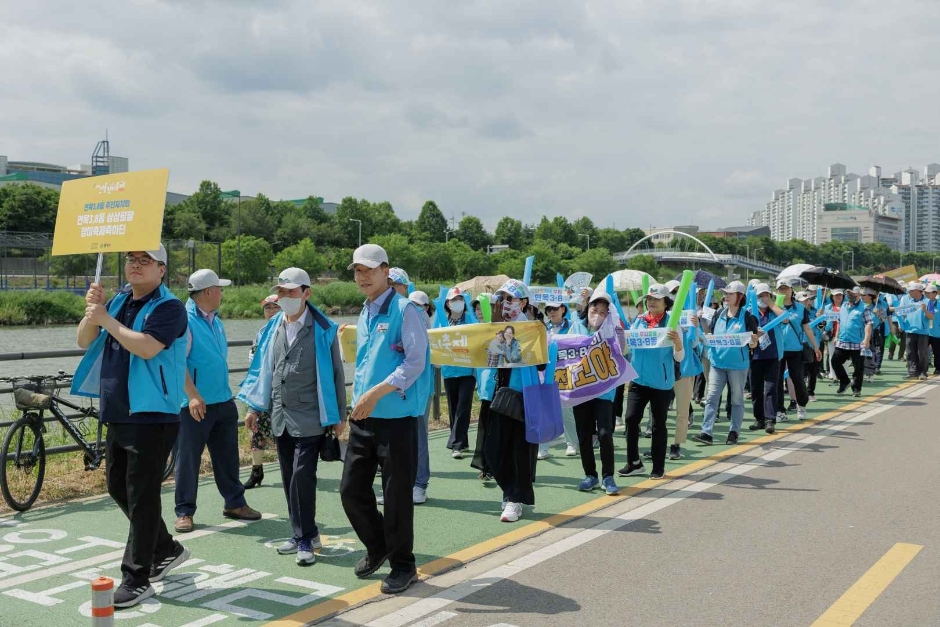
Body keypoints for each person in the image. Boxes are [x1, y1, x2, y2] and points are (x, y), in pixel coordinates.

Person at [73, 244, 190, 608]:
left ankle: (137, 577)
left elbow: (147, 348)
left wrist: (107, 319)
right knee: (117, 487)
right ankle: (166, 547)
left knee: (142, 495)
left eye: (146, 261)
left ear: (162, 270)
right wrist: (93, 312)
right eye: (131, 259)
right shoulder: (121, 299)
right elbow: (83, 340)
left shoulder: (169, 307)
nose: (136, 265)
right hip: (119, 410)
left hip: (153, 414)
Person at [239, 267, 346, 567]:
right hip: (279, 414)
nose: (285, 297)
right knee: (288, 477)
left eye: (291, 291)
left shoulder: (323, 328)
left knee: (301, 476)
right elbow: (263, 371)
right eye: (282, 291)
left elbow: (337, 374)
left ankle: (306, 537)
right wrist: (254, 408)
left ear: (306, 294)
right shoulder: (272, 327)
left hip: (312, 414)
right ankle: (303, 534)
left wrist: (339, 415)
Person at [341, 244, 428, 595]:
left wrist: (375, 393)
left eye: (369, 270)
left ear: (386, 271)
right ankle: (378, 546)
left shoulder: (406, 311)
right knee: (350, 490)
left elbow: (415, 362)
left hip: (396, 418)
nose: (362, 277)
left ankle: (403, 565)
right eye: (357, 271)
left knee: (396, 497)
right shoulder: (364, 311)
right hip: (364, 418)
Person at [174, 269, 261, 535]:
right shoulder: (184, 321)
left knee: (227, 457)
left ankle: (234, 503)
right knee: (187, 459)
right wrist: (192, 395)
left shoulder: (215, 320)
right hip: (195, 404)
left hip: (222, 400)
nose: (222, 293)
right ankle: (184, 512)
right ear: (209, 292)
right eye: (220, 289)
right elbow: (176, 363)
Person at [485, 278, 539, 522]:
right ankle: (509, 491)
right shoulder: (496, 327)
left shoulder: (533, 328)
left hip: (524, 395)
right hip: (500, 393)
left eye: (510, 299)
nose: (505, 304)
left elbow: (538, 361)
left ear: (523, 302)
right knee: (494, 448)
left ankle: (513, 499)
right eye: (501, 299)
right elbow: (489, 360)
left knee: (518, 450)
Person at [620, 284, 684, 480]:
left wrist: (678, 343)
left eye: (657, 299)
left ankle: (658, 466)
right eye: (649, 298)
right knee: (630, 419)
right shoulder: (638, 321)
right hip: (639, 380)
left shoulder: (673, 323)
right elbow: (628, 348)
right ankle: (634, 463)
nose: (652, 302)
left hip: (661, 383)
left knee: (658, 424)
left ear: (666, 303)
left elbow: (680, 358)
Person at [692, 281, 759, 445]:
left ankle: (734, 432)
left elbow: (753, 343)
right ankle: (706, 432)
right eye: (725, 293)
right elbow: (711, 335)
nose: (726, 296)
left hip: (738, 366)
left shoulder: (748, 317)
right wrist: (699, 325)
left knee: (736, 399)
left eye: (730, 293)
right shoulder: (718, 314)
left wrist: (753, 341)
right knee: (711, 398)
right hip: (717, 364)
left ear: (740, 296)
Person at [569, 291, 620, 495]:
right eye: (594, 309)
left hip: (604, 390)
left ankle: (608, 476)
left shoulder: (613, 331)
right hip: (580, 390)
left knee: (605, 433)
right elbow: (563, 352)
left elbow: (622, 350)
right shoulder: (576, 328)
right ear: (587, 309)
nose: (597, 314)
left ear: (609, 314)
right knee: (584, 435)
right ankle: (590, 475)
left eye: (602, 311)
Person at [243, 294, 280, 489]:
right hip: (262, 389)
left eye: (276, 307)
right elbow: (253, 362)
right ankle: (256, 471)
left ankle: (292, 469)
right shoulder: (261, 333)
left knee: (283, 434)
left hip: (282, 390)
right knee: (256, 429)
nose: (272, 311)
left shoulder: (288, 329)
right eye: (268, 308)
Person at [774, 278, 821, 422]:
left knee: (798, 379)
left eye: (786, 288)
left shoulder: (800, 308)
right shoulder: (773, 308)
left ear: (791, 290)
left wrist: (815, 346)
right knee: (776, 381)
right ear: (776, 291)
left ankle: (801, 405)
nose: (783, 291)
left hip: (795, 350)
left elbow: (807, 328)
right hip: (777, 350)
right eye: (780, 289)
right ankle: (780, 410)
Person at [440, 287, 476, 458]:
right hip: (448, 371)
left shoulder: (471, 320)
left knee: (463, 406)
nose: (457, 302)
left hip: (467, 371)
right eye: (454, 300)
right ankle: (463, 441)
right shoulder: (442, 321)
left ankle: (456, 445)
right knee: (454, 408)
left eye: (460, 299)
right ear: (447, 303)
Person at [540, 301, 578, 458]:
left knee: (566, 411)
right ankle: (543, 447)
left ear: (563, 309)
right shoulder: (542, 327)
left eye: (555, 308)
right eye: (548, 309)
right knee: (543, 410)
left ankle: (572, 443)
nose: (552, 312)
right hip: (546, 373)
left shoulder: (573, 326)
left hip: (566, 373)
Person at [408, 290, 434, 504]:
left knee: (419, 436)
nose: (416, 308)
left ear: (427, 307)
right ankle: (402, 484)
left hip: (421, 389)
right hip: (400, 389)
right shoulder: (402, 319)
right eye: (412, 304)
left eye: (420, 305)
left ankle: (420, 484)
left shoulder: (426, 324)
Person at [748, 283, 785, 434]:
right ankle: (759, 419)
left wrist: (770, 303)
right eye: (759, 296)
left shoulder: (775, 311)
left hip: (772, 355)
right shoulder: (750, 312)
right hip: (754, 356)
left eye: (765, 295)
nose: (762, 298)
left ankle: (770, 419)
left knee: (770, 388)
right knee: (755, 389)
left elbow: (785, 319)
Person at [831, 286, 873, 397]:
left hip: (857, 342)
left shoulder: (864, 308)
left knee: (858, 367)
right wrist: (836, 336)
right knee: (834, 361)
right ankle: (844, 381)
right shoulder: (843, 306)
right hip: (843, 340)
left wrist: (866, 339)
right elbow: (839, 322)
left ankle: (856, 389)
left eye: (852, 294)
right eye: (848, 293)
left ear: (858, 295)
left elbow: (868, 323)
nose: (850, 295)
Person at [895, 282, 932, 380]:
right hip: (909, 330)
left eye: (911, 290)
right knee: (910, 352)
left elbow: (931, 316)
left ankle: (923, 372)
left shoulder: (928, 302)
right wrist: (900, 324)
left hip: (923, 331)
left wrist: (925, 310)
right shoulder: (907, 300)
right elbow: (900, 312)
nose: (909, 292)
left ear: (918, 291)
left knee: (922, 353)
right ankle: (912, 372)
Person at [796, 291, 822, 402]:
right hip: (800, 345)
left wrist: (820, 319)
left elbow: (821, 327)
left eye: (808, 300)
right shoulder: (796, 313)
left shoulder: (816, 312)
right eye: (803, 301)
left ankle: (810, 392)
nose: (806, 303)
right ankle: (799, 393)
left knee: (812, 370)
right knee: (800, 371)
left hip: (813, 344)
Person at [926, 285, 940, 376]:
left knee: (937, 351)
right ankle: (923, 368)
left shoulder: (939, 303)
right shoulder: (925, 303)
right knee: (922, 350)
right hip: (925, 331)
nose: (927, 294)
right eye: (926, 293)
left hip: (936, 332)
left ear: (935, 293)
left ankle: (938, 368)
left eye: (929, 293)